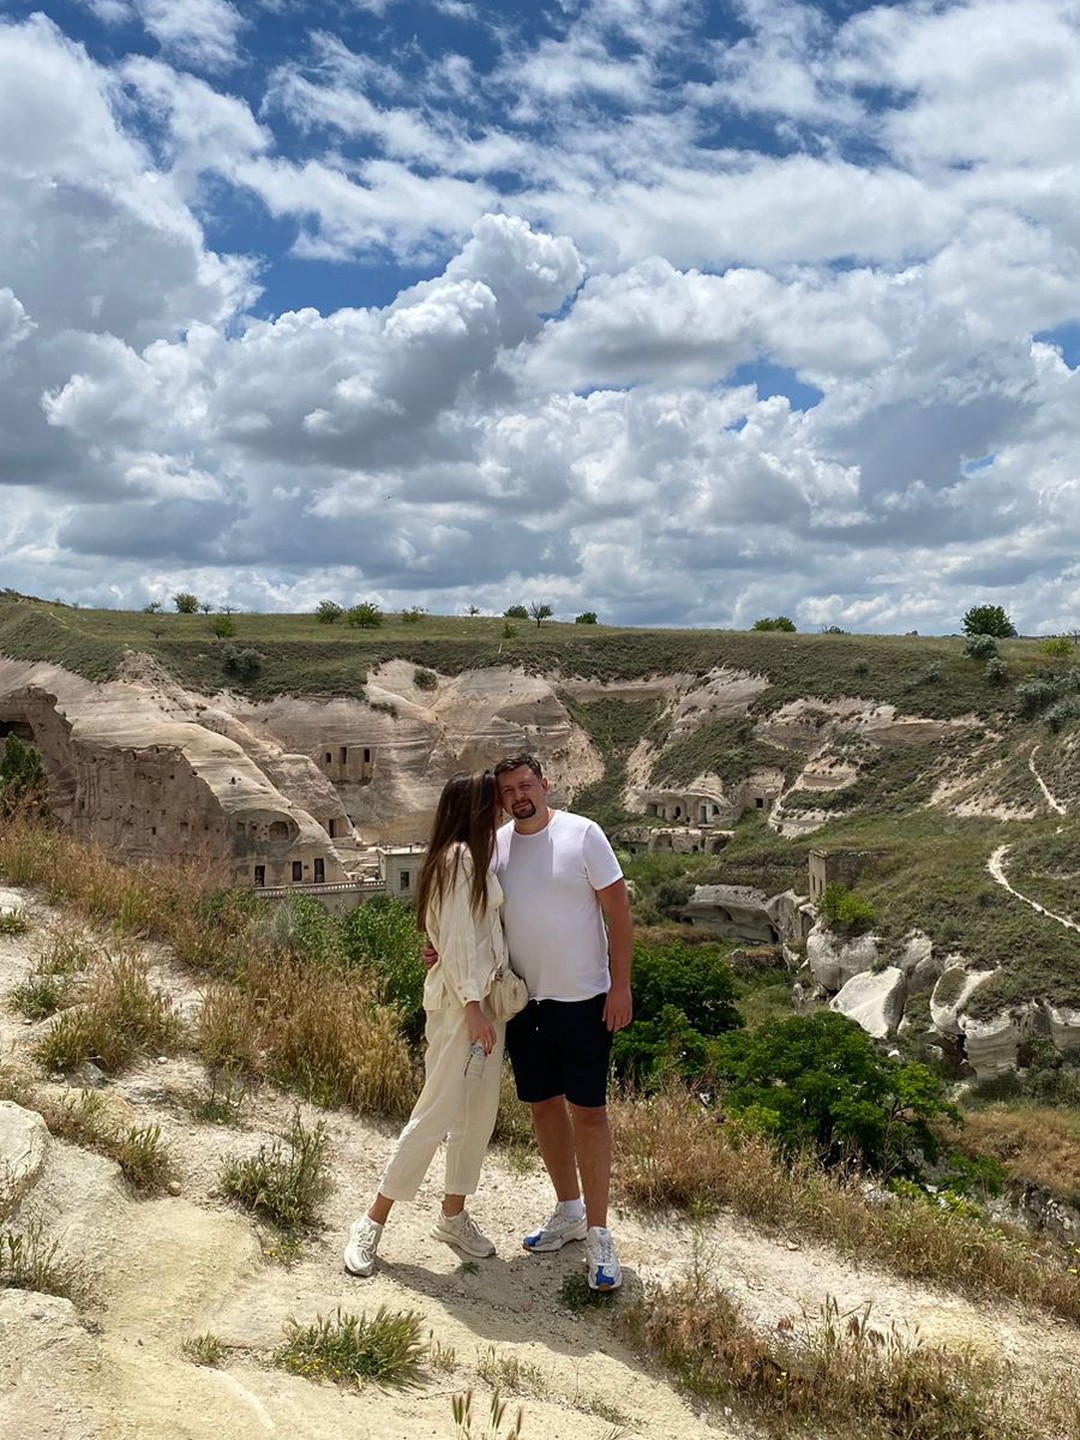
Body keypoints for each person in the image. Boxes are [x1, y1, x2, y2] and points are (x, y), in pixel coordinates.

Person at [343, 770, 508, 1278]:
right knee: (436, 1111)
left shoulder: (469, 857)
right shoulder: (459, 860)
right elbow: (457, 942)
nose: (501, 810)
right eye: (493, 802)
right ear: (475, 808)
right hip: (464, 1008)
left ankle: (453, 1215)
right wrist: (474, 1008)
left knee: (477, 1114)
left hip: (483, 1005)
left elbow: (471, 935)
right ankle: (372, 1220)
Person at [492, 753, 633, 1292]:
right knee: (543, 1108)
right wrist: (439, 949)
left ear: (545, 785)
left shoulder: (584, 834)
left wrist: (620, 987)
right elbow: (479, 916)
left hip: (583, 1000)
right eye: (509, 790)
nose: (519, 796)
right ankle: (569, 1211)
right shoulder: (498, 847)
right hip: (525, 1003)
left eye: (525, 785)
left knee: (590, 1114)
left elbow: (618, 912)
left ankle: (599, 1233)